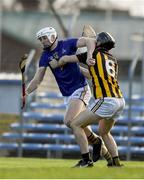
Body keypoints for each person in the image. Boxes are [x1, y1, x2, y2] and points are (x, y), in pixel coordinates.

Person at [25, 27, 112, 165]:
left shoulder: (67, 44)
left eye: (44, 38)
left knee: (69, 121)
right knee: (81, 127)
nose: (42, 41)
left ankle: (86, 160)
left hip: (80, 89)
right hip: (68, 95)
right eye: (40, 39)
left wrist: (89, 56)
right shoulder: (44, 57)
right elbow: (37, 80)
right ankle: (109, 158)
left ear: (53, 37)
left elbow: (90, 40)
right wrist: (26, 92)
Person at [56, 32, 125, 167]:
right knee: (105, 132)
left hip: (106, 100)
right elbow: (92, 75)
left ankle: (86, 160)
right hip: (120, 101)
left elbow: (65, 59)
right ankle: (115, 163)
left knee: (75, 124)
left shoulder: (94, 54)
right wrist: (78, 69)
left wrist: (59, 61)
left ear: (98, 43)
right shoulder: (113, 60)